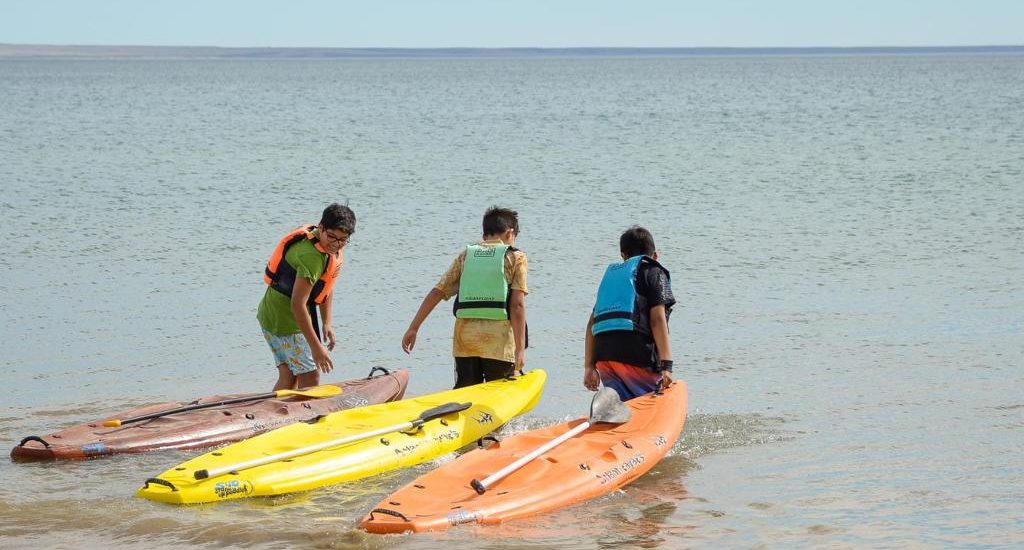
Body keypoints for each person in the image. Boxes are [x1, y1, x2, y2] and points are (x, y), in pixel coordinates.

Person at [402, 206, 528, 388]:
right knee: (499, 397)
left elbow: (437, 291)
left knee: (465, 395)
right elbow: (517, 305)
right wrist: (519, 350)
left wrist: (414, 328)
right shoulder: (516, 258)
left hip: (465, 343)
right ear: (510, 234)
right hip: (499, 345)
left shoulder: (466, 256)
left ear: (484, 236)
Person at [258, 203, 356, 391]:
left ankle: (276, 415)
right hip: (285, 322)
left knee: (289, 376)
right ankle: (301, 416)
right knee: (310, 375)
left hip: (270, 315)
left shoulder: (329, 249)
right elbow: (297, 304)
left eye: (343, 240)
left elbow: (326, 284)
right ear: (321, 228)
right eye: (332, 237)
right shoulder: (311, 256)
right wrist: (316, 347)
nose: (336, 244)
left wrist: (327, 323)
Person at [583, 226, 675, 401]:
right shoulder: (654, 271)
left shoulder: (613, 279)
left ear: (623, 256)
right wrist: (666, 366)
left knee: (623, 407)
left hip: (604, 358)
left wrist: (589, 367)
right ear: (655, 255)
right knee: (649, 404)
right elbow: (657, 319)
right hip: (636, 356)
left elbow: (591, 325)